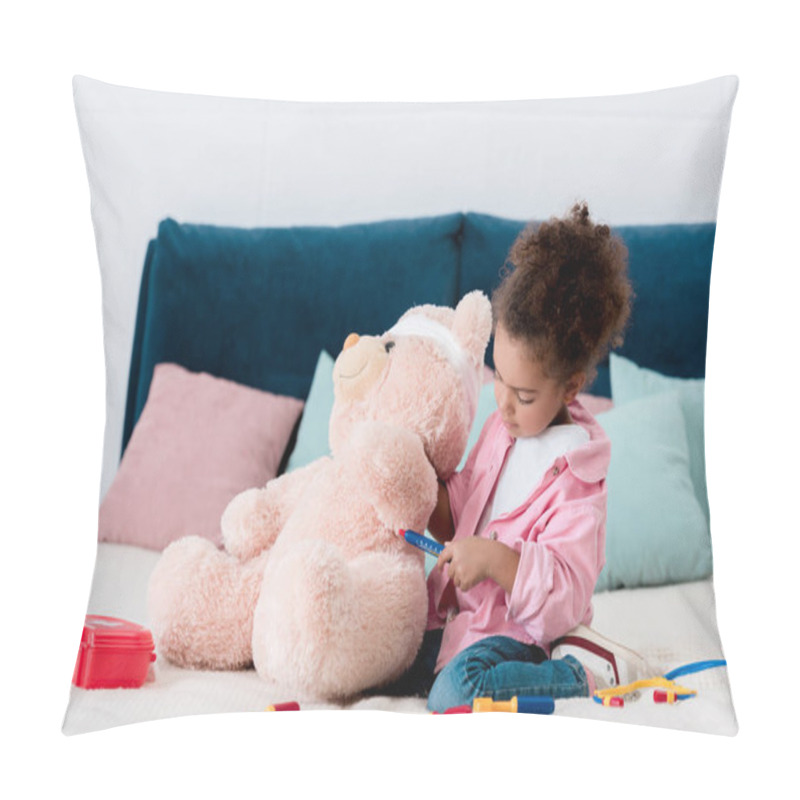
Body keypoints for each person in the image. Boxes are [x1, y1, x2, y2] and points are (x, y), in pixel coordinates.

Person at [384, 202, 650, 711]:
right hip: (461, 623)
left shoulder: (578, 479)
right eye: (497, 378)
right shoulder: (503, 430)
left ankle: (584, 672)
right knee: (387, 653)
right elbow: (464, 506)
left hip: (523, 637)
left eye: (524, 395)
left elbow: (564, 598)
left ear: (569, 387)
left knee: (455, 696)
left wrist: (495, 560)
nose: (503, 402)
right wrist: (421, 488)